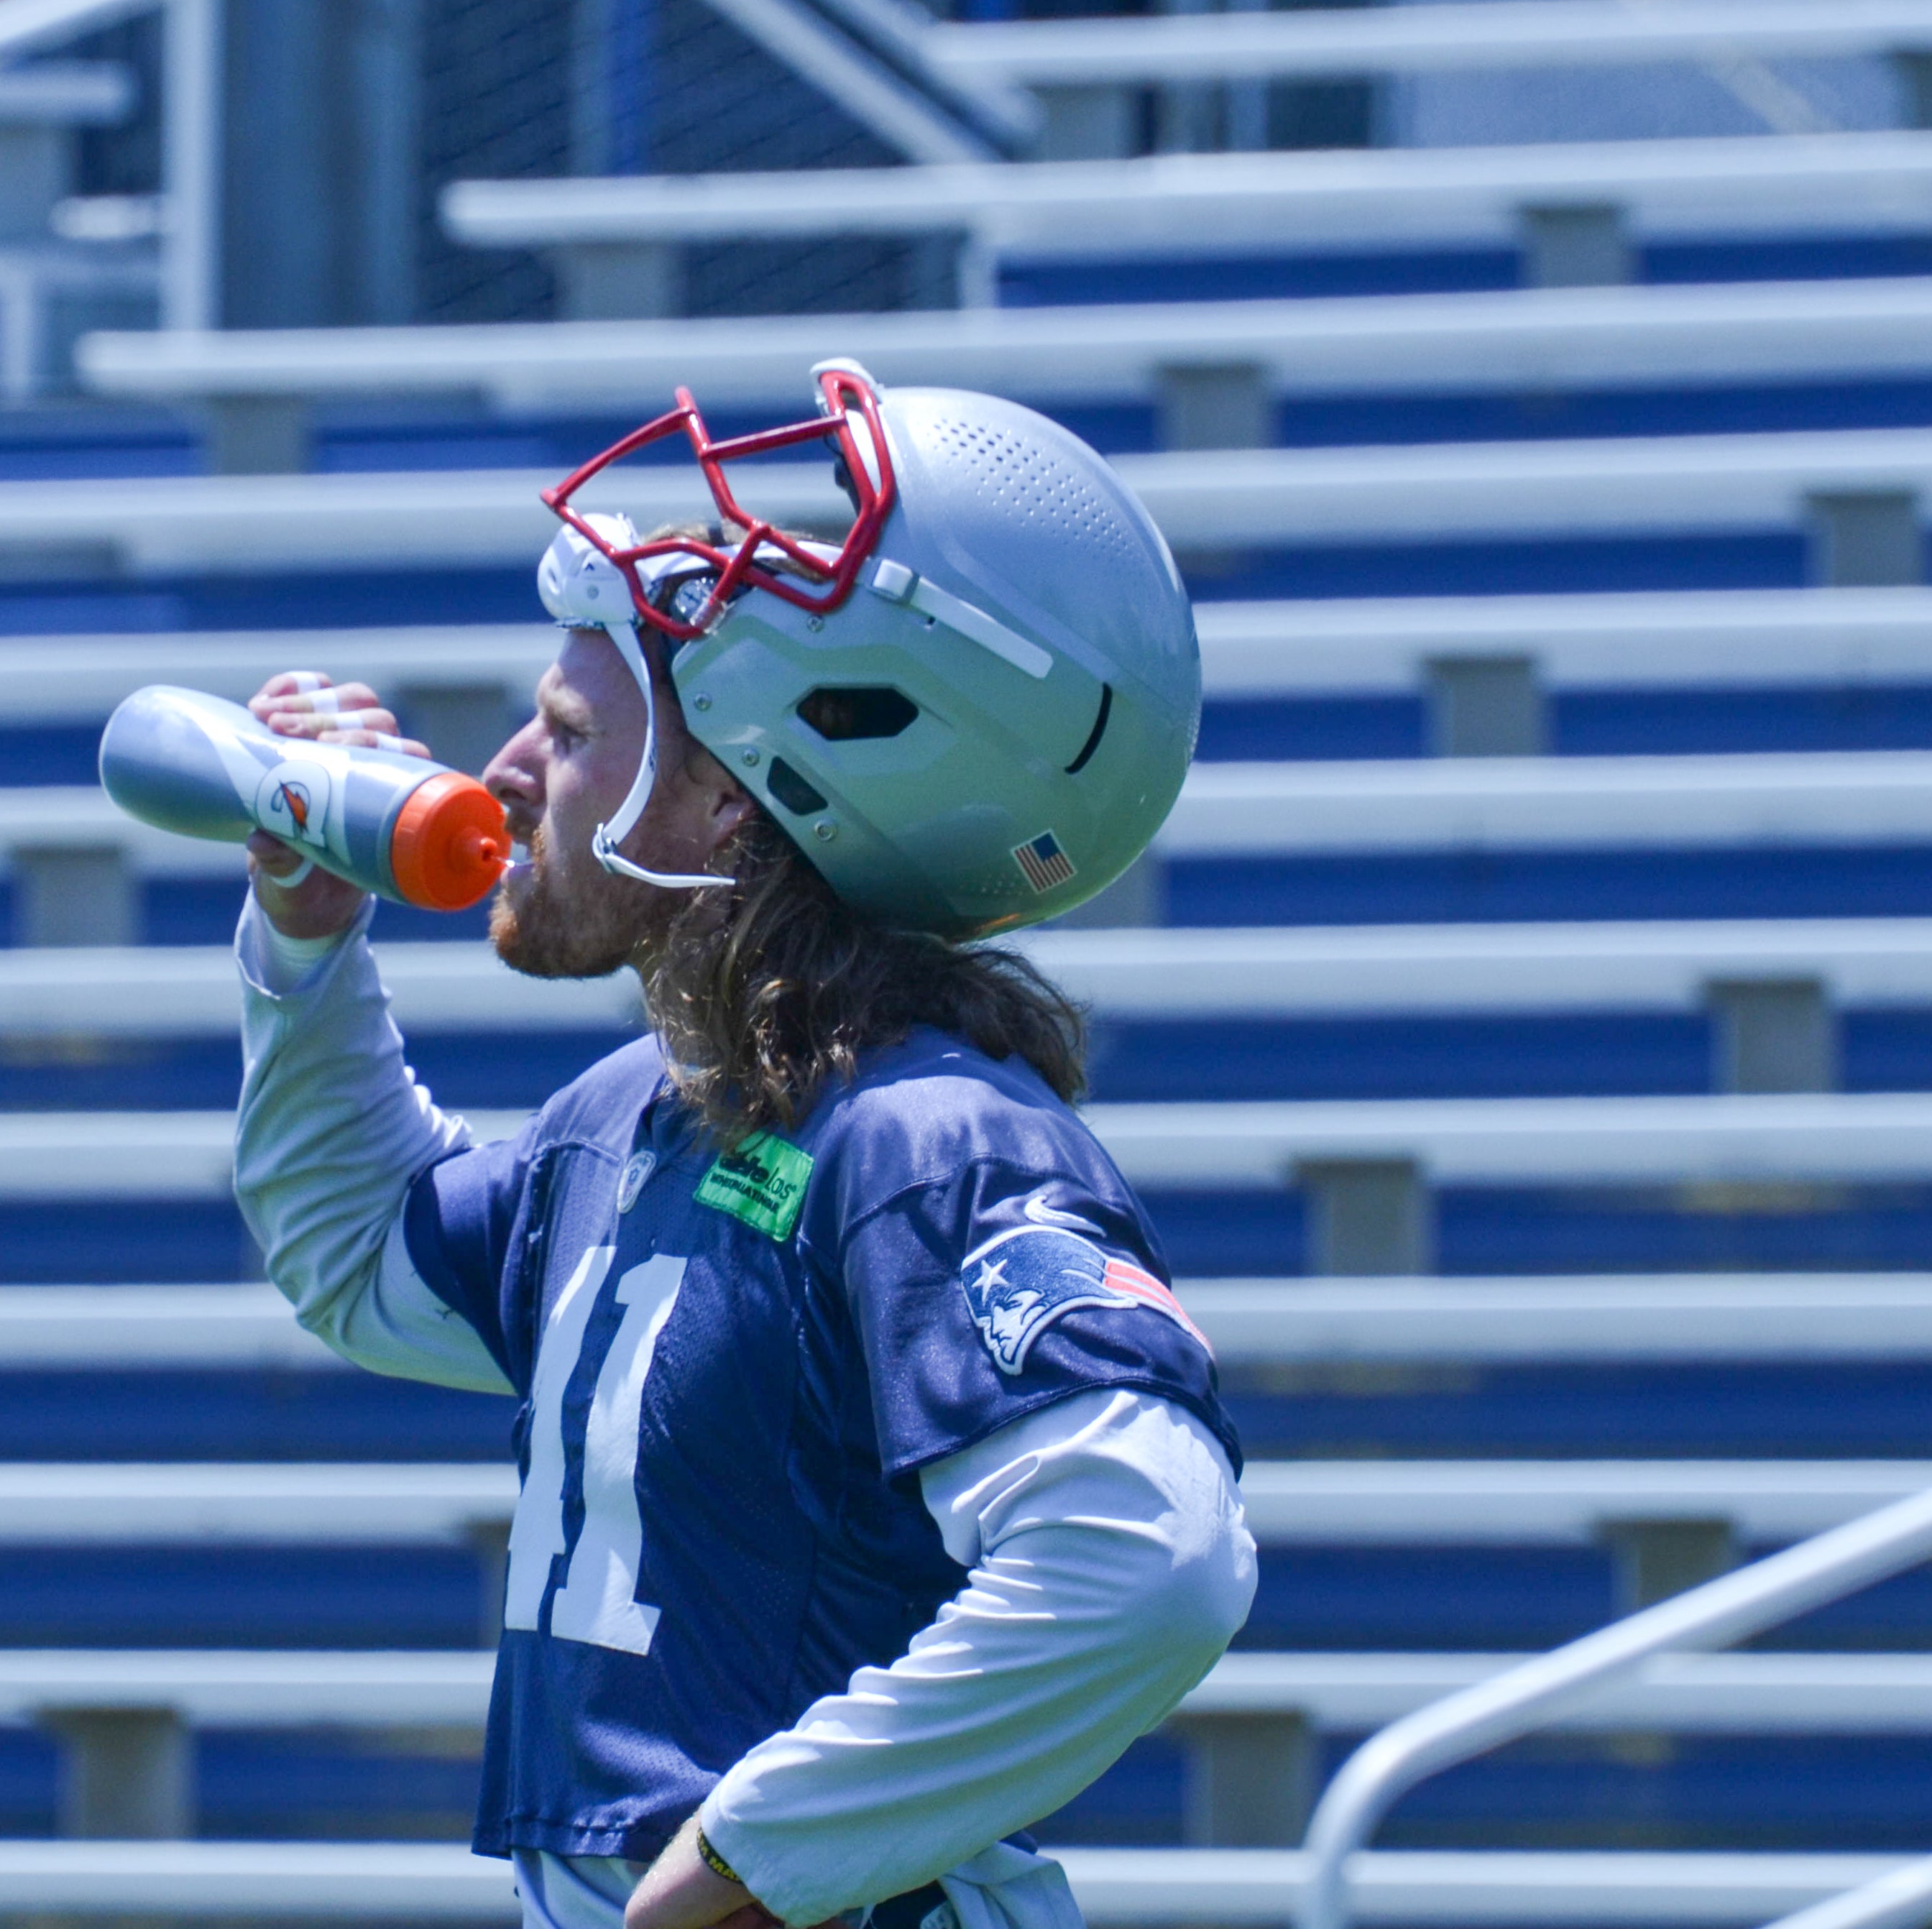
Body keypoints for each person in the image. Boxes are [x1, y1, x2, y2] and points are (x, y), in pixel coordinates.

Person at [229, 364, 1256, 1929]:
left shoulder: (926, 1135)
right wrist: (306, 944)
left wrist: (755, 1854)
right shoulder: (639, 1117)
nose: (508, 769)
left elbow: (1151, 1558)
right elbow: (362, 1253)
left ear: (727, 798)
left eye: (571, 729)